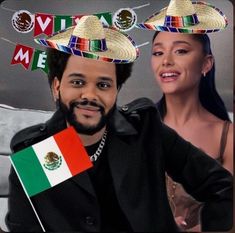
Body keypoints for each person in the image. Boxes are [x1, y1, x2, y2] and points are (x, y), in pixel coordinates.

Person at [6, 15, 232, 232]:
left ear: (116, 90)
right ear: (57, 87)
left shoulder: (145, 131)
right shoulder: (36, 154)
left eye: (103, 85)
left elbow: (223, 187)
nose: (90, 95)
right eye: (77, 82)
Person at [136, 0, 233, 231]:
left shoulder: (228, 137)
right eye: (158, 52)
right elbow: (34, 176)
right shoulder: (132, 124)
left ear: (206, 63)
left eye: (180, 50)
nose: (166, 61)